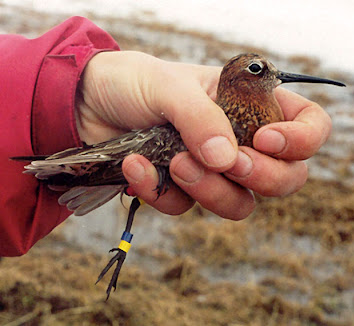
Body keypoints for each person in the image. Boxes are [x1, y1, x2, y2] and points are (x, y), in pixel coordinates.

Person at [0, 16, 332, 256]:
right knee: (143, 178)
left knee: (146, 183)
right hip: (139, 151)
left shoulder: (259, 111)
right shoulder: (230, 118)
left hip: (129, 155)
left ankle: (120, 240)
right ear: (239, 81)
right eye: (260, 71)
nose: (278, 77)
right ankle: (119, 239)